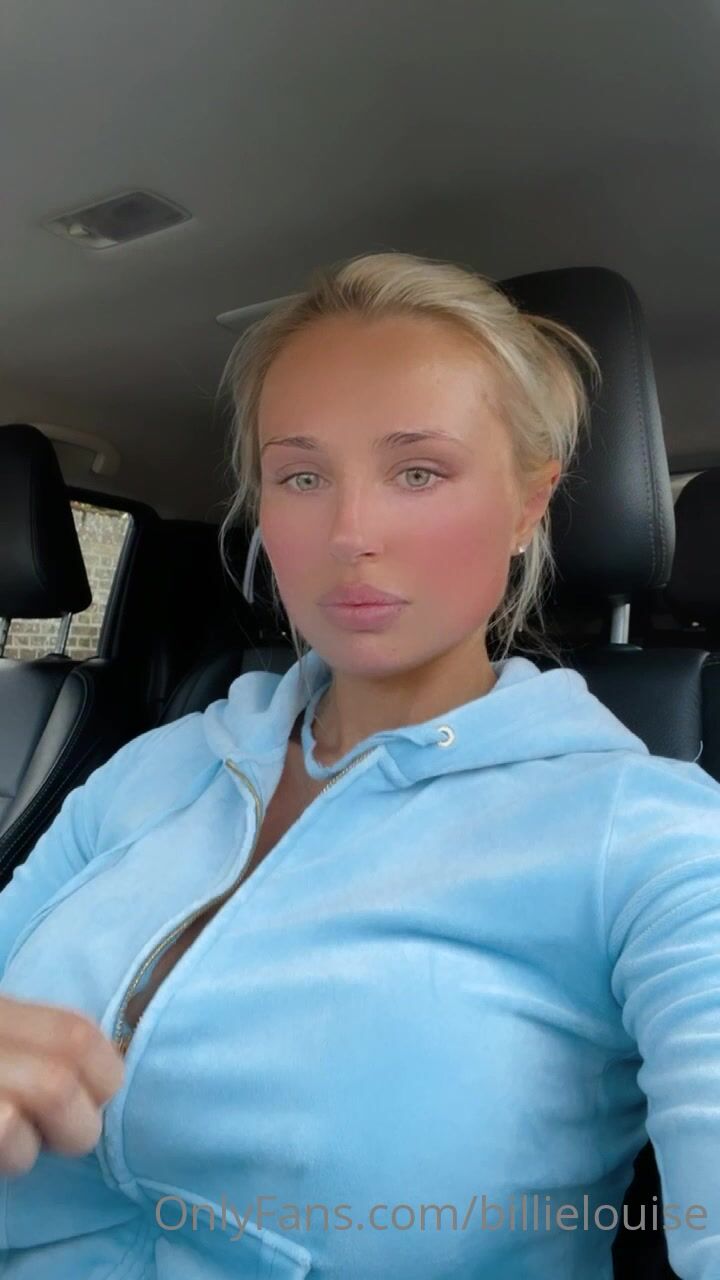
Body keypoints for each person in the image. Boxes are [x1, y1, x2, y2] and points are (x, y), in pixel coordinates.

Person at [0, 251, 719, 1280]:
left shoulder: (653, 839)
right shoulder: (154, 768)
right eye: (302, 476)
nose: (350, 533)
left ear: (529, 504)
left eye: (418, 471)